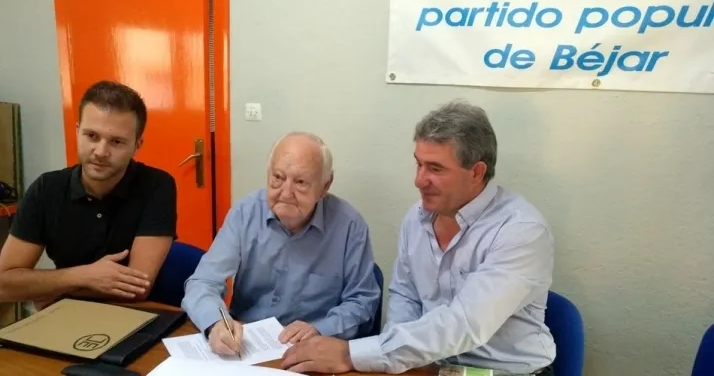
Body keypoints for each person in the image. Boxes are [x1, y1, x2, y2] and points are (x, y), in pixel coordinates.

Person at [281, 101, 556, 376]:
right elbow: (405, 296)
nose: (419, 180)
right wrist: (397, 363)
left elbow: (465, 325)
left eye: (435, 168)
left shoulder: (521, 231)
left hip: (503, 373)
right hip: (428, 368)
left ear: (476, 172)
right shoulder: (417, 217)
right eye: (419, 164)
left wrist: (352, 354)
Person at [181, 131, 381, 356]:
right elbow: (203, 282)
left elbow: (362, 301)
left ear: (325, 186)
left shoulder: (349, 226)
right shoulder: (246, 213)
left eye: (300, 182)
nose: (286, 192)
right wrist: (216, 323)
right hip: (246, 345)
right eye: (278, 177)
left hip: (312, 350)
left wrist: (320, 329)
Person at [0, 80, 177, 309]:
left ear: (137, 145)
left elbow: (136, 289)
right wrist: (83, 276)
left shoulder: (157, 185)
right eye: (92, 136)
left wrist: (51, 289)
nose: (101, 152)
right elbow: (3, 286)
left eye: (116, 142)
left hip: (134, 313)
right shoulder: (46, 189)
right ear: (77, 131)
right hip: (68, 314)